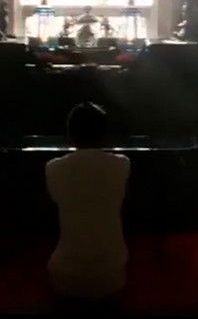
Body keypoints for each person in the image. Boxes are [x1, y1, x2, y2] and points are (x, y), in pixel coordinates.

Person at [45, 102, 131, 301]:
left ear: (70, 134)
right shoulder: (122, 164)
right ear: (104, 134)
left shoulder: (53, 168)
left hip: (65, 273)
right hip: (111, 274)